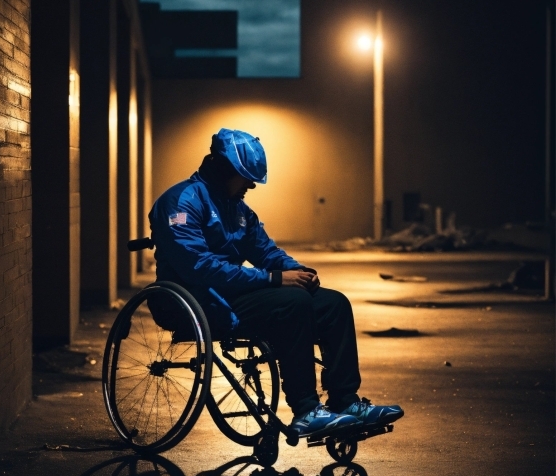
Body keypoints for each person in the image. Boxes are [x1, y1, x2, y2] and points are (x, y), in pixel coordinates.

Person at [149, 128, 403, 439]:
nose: (251, 185)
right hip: (192, 300)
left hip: (228, 294)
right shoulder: (181, 202)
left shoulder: (239, 210)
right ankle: (306, 410)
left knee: (333, 303)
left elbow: (266, 251)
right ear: (225, 169)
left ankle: (345, 402)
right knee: (290, 303)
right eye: (246, 177)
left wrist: (298, 271)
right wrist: (273, 279)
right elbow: (198, 268)